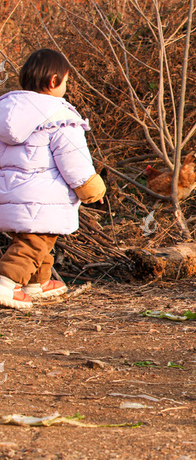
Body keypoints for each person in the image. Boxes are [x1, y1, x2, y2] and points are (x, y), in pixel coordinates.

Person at [0, 49, 106, 310]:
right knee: (34, 244)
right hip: (42, 196)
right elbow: (74, 160)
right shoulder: (59, 116)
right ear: (54, 80)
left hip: (8, 195)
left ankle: (37, 283)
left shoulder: (5, 110)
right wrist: (92, 188)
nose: (67, 87)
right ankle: (5, 283)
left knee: (36, 241)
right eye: (67, 81)